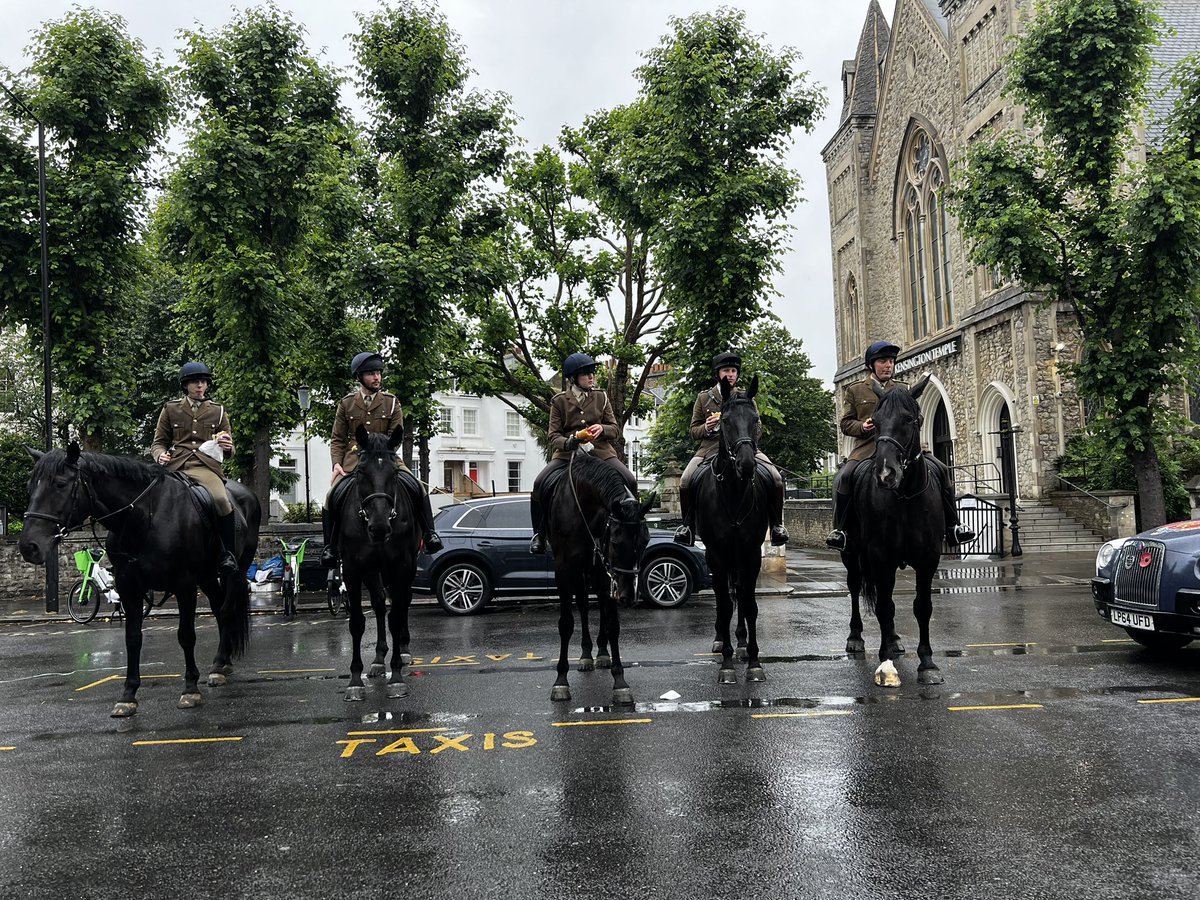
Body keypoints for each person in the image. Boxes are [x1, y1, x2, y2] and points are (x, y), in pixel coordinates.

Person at [825, 339, 975, 551]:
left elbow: (919, 418)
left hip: (904, 447)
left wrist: (908, 421)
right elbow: (846, 423)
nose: (888, 365)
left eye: (891, 361)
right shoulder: (856, 390)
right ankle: (842, 531)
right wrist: (863, 426)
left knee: (941, 470)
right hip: (868, 447)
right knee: (846, 476)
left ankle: (953, 527)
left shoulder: (904, 389)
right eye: (883, 361)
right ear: (871, 365)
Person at [320, 351, 443, 568]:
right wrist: (336, 464)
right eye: (370, 374)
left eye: (378, 373)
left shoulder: (392, 402)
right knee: (330, 496)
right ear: (359, 377)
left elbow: (396, 435)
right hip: (353, 460)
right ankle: (330, 547)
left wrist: (384, 452)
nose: (376, 377)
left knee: (417, 487)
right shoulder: (346, 404)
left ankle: (430, 533)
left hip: (386, 458)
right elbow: (338, 438)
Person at [673, 351, 789, 548]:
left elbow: (757, 427)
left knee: (775, 477)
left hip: (744, 448)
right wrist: (708, 427)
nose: (731, 374)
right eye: (726, 370)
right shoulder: (704, 398)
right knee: (685, 480)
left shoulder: (746, 397)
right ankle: (688, 527)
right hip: (710, 448)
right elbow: (693, 431)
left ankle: (777, 525)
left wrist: (747, 441)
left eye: (734, 371)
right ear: (718, 373)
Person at [529, 352, 638, 554]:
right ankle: (539, 534)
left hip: (600, 452)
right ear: (573, 378)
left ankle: (634, 526)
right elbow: (553, 436)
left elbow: (615, 428)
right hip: (567, 455)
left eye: (592, 374)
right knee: (539, 483)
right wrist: (569, 442)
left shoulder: (601, 397)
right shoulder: (559, 401)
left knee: (630, 480)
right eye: (586, 374)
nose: (591, 377)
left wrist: (602, 429)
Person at [150, 361, 239, 573]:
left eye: (203, 382)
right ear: (186, 385)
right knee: (148, 501)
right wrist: (160, 455)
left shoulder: (218, 411)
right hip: (176, 466)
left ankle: (228, 553)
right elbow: (159, 442)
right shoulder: (171, 409)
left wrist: (227, 446)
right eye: (194, 382)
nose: (200, 386)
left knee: (220, 500)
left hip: (205, 466)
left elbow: (230, 448)